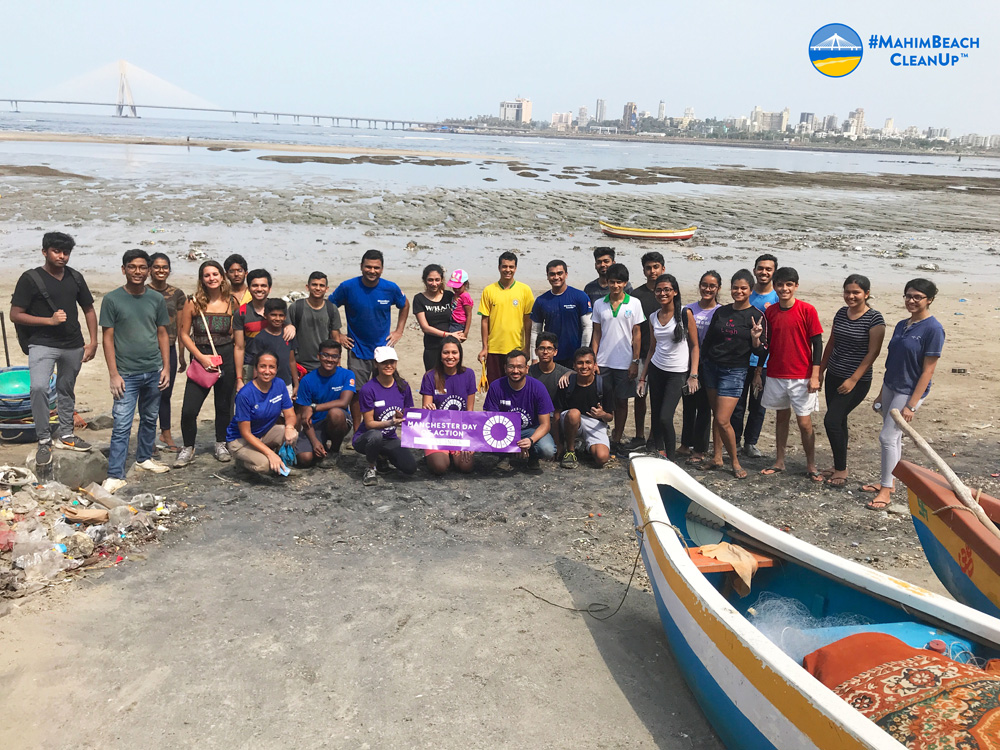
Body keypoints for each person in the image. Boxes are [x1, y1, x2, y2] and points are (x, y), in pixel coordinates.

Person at [10, 231, 98, 466]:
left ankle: (66, 434)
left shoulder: (75, 277)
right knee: (38, 387)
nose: (62, 256)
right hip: (41, 343)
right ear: (44, 252)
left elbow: (89, 309)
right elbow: (15, 315)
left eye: (66, 252)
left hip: (73, 344)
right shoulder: (30, 279)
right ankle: (43, 439)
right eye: (56, 251)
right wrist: (48, 321)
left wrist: (93, 341)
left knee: (65, 388)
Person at [863, 279, 943, 510]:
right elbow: (892, 361)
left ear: (929, 300)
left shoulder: (933, 329)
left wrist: (912, 405)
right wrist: (880, 393)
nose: (912, 301)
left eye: (918, 297)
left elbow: (928, 369)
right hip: (891, 385)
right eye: (908, 296)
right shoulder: (901, 325)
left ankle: (886, 490)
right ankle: (888, 481)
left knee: (887, 437)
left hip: (909, 391)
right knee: (893, 438)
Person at [99, 250, 172, 493]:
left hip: (153, 369)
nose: (138, 272)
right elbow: (107, 338)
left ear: (148, 270)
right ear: (124, 269)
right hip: (126, 374)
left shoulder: (155, 299)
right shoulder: (112, 299)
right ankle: (115, 474)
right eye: (132, 267)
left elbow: (162, 333)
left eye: (142, 267)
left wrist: (166, 367)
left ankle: (144, 459)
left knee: (150, 418)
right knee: (122, 424)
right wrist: (113, 374)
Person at [819, 275, 886, 488]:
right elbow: (831, 343)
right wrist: (820, 371)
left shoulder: (875, 319)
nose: (851, 296)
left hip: (856, 380)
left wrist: (853, 380)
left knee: (831, 420)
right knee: (839, 421)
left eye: (856, 292)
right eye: (848, 292)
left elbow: (872, 353)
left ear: (866, 294)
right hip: (834, 376)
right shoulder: (841, 312)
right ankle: (840, 464)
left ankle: (841, 469)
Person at [700, 270, 768, 479]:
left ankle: (735, 462)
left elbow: (761, 351)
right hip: (712, 367)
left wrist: (756, 338)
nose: (739, 291)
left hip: (735, 371)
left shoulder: (756, 315)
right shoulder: (722, 312)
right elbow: (709, 340)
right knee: (716, 414)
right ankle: (717, 457)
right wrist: (701, 364)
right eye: (735, 288)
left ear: (750, 289)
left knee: (723, 419)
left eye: (743, 288)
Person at [760, 267, 824, 480]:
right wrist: (759, 368)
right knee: (781, 417)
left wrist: (815, 375)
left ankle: (811, 464)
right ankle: (779, 461)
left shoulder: (807, 310)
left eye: (789, 284)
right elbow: (766, 345)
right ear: (775, 286)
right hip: (776, 374)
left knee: (804, 423)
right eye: (780, 284)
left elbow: (817, 344)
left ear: (796, 286)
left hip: (802, 376)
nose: (784, 288)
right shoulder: (770, 312)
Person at [176, 260, 241, 467]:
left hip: (226, 358)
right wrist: (200, 357)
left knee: (223, 406)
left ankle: (221, 443)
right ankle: (188, 447)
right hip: (201, 358)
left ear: (222, 276)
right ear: (201, 279)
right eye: (207, 275)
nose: (211, 278)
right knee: (189, 409)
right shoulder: (192, 302)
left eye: (215, 274)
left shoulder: (232, 302)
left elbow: (234, 334)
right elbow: (184, 334)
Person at [638, 274, 700, 461]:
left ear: (675, 292)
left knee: (666, 417)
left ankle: (671, 459)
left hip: (677, 373)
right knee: (656, 416)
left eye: (666, 290)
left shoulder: (684, 314)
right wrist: (643, 378)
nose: (662, 293)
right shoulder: (653, 317)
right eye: (659, 290)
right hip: (657, 370)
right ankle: (660, 452)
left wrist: (693, 375)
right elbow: (652, 348)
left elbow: (695, 346)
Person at [329, 250, 409, 390]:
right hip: (357, 348)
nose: (372, 271)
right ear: (361, 266)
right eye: (368, 267)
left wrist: (399, 331)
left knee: (383, 388)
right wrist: (337, 335)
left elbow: (405, 304)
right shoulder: (348, 287)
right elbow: (328, 307)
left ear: (382, 269)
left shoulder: (390, 288)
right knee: (356, 391)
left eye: (376, 268)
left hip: (384, 347)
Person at [591, 263, 643, 452]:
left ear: (625, 283)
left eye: (619, 282)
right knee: (602, 400)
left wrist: (635, 361)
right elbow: (596, 334)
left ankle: (618, 437)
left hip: (624, 362)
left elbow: (637, 334)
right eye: (612, 282)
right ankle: (600, 435)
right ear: (607, 282)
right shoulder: (599, 304)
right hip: (603, 361)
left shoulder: (635, 303)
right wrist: (594, 359)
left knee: (622, 401)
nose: (615, 286)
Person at [732, 254, 778, 458]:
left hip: (765, 361)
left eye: (768, 269)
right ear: (754, 270)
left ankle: (751, 443)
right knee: (737, 404)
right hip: (741, 359)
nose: (764, 272)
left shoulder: (777, 298)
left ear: (774, 272)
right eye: (761, 268)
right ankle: (733, 442)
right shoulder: (746, 294)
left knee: (758, 405)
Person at [353, 346, 417, 486]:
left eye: (392, 361)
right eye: (384, 362)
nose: (388, 365)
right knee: (376, 436)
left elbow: (408, 413)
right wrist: (391, 423)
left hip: (389, 438)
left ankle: (382, 456)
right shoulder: (368, 389)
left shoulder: (403, 386)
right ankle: (371, 467)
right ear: (376, 364)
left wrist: (404, 417)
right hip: (368, 436)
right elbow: (369, 423)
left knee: (410, 468)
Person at [225, 352, 297, 476]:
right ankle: (243, 463)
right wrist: (270, 454)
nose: (267, 371)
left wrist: (290, 427)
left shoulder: (279, 384)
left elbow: (290, 414)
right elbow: (245, 433)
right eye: (263, 366)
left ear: (277, 369)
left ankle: (278, 461)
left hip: (263, 433)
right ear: (256, 368)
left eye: (272, 367)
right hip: (241, 440)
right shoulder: (245, 395)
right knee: (265, 466)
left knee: (292, 434)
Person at [483, 349, 556, 471]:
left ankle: (533, 455)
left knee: (548, 450)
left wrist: (530, 441)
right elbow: (491, 421)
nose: (515, 371)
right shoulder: (496, 386)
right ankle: (506, 455)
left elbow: (546, 424)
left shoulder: (538, 388)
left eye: (520, 367)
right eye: (511, 367)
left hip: (531, 430)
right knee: (482, 442)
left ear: (527, 368)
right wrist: (513, 442)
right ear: (505, 368)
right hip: (504, 431)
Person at [679, 271, 721, 465]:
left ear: (718, 289)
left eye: (712, 286)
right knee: (688, 405)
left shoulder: (721, 311)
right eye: (704, 285)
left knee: (704, 408)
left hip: (709, 364)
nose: (707, 289)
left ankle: (700, 448)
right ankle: (685, 443)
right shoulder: (688, 309)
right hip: (687, 362)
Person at [147, 252, 187, 452]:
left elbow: (181, 328)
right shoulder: (143, 291)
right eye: (156, 267)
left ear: (169, 270)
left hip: (169, 348)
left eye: (164, 267)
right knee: (148, 393)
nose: (161, 270)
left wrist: (181, 355)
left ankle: (166, 433)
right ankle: (148, 437)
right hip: (146, 349)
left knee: (165, 392)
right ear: (149, 269)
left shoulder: (177, 294)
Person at [419, 336, 477, 475]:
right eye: (446, 352)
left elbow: (470, 411)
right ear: (440, 355)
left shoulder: (468, 374)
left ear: (460, 355)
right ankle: (437, 455)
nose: (450, 356)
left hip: (459, 430)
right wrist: (428, 408)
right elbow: (426, 409)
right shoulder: (430, 376)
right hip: (437, 431)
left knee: (466, 466)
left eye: (454, 352)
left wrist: (470, 439)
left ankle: (452, 453)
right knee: (440, 467)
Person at [295, 339, 355, 466]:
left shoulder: (347, 375)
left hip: (340, 421)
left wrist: (315, 407)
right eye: (325, 355)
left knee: (336, 413)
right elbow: (305, 416)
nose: (329, 359)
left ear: (339, 358)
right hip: (315, 424)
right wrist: (314, 441)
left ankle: (334, 450)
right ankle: (321, 447)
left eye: (334, 356)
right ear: (318, 356)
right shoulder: (307, 380)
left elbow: (344, 402)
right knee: (304, 459)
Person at [478, 252, 534, 384]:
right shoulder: (489, 290)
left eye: (511, 267)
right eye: (504, 266)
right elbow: (484, 321)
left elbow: (528, 321)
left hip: (516, 348)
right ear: (499, 267)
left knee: (516, 384)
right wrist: (485, 347)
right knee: (494, 385)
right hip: (494, 348)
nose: (507, 270)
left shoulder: (525, 290)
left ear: (515, 268)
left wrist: (527, 347)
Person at [629, 251, 665, 450]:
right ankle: (639, 434)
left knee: (658, 397)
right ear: (644, 270)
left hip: (663, 354)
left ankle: (654, 436)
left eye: (656, 267)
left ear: (663, 268)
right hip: (642, 353)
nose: (652, 271)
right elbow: (634, 329)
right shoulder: (637, 295)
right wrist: (634, 358)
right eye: (648, 268)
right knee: (640, 395)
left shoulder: (668, 292)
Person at [556, 347, 614, 469]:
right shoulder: (566, 383)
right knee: (574, 414)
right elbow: (557, 413)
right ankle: (570, 451)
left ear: (594, 365)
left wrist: (602, 414)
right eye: (580, 363)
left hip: (594, 423)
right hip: (570, 420)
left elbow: (610, 417)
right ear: (574, 366)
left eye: (588, 362)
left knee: (602, 458)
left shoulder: (603, 385)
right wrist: (558, 443)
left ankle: (586, 446)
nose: (584, 366)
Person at [233, 269, 294, 382]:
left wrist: (291, 326)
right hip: (251, 365)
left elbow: (288, 331)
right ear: (249, 288)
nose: (259, 289)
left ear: (269, 289)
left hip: (277, 366)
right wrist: (239, 378)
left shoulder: (279, 308)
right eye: (255, 285)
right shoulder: (241, 312)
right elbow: (239, 347)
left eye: (263, 286)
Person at [529, 259, 592, 369]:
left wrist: (583, 353)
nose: (556, 277)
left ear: (566, 275)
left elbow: (587, 327)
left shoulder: (579, 296)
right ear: (547, 276)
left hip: (574, 356)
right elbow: (535, 331)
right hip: (550, 356)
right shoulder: (541, 301)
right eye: (552, 274)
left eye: (560, 273)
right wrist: (534, 358)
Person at [287, 272, 342, 373]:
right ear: (307, 287)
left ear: (327, 289)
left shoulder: (331, 309)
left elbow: (336, 339)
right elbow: (287, 335)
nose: (318, 288)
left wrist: (337, 364)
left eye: (321, 285)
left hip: (325, 363)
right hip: (300, 364)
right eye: (314, 285)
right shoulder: (296, 307)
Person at [243, 298, 299, 396]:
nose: (277, 318)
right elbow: (257, 365)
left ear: (285, 317)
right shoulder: (260, 338)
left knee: (286, 410)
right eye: (273, 315)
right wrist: (257, 388)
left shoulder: (288, 335)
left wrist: (296, 384)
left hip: (286, 384)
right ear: (265, 315)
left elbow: (292, 360)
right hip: (266, 385)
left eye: (281, 315)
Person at [528, 333, 570, 450]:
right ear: (536, 351)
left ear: (555, 352)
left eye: (549, 349)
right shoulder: (529, 372)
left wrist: (569, 374)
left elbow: (579, 374)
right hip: (536, 416)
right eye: (542, 348)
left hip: (556, 416)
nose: (545, 352)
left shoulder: (563, 372)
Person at [412, 264, 456, 372]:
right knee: (433, 380)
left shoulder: (449, 296)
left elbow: (460, 315)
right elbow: (425, 327)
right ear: (424, 280)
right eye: (430, 280)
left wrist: (463, 333)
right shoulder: (419, 299)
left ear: (442, 280)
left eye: (437, 280)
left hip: (450, 346)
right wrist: (447, 334)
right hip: (431, 346)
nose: (434, 284)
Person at [447, 269, 474, 340]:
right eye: (454, 287)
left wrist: (465, 332)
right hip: (452, 320)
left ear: (465, 284)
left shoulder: (465, 296)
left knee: (452, 341)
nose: (456, 289)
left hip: (458, 324)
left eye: (458, 287)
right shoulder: (456, 294)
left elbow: (469, 315)